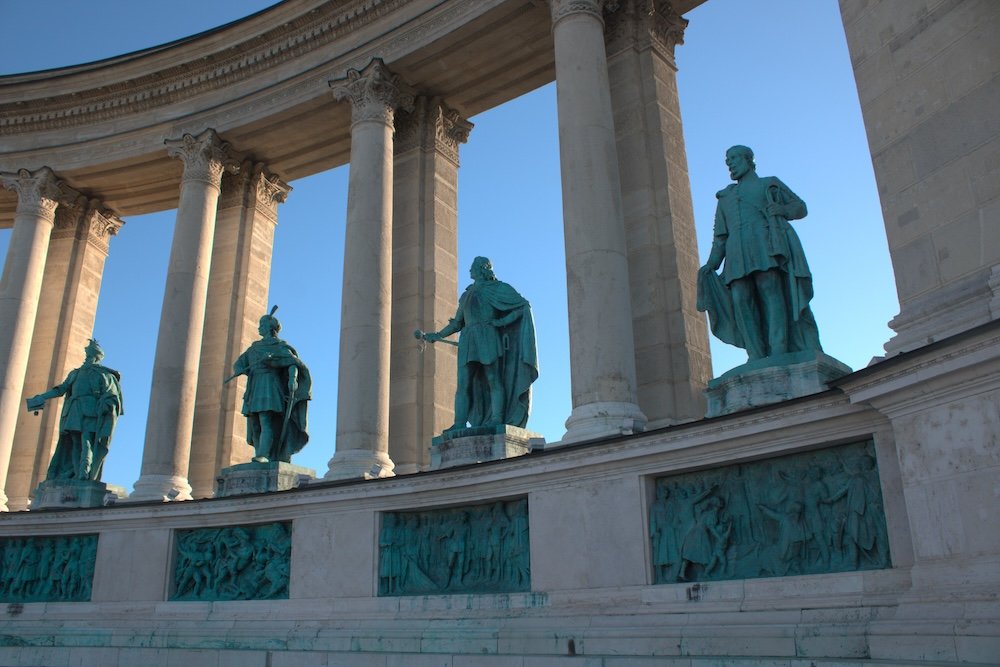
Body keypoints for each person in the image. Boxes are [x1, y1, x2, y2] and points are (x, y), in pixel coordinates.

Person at [697, 145, 822, 361]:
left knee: (769, 290)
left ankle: (778, 349)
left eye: (734, 158)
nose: (730, 164)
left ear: (748, 160)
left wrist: (782, 210)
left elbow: (800, 207)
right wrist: (711, 264)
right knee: (740, 298)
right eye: (728, 161)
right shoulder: (725, 197)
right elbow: (720, 237)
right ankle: (756, 353)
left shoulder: (768, 184)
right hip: (736, 250)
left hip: (765, 243)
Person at [421, 256, 538, 433]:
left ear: (482, 268)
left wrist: (500, 323)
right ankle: (459, 422)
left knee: (493, 379)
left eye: (473, 267)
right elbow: (457, 323)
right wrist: (436, 335)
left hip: (487, 336)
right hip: (468, 338)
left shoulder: (498, 288)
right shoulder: (467, 294)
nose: (470, 270)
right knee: (463, 383)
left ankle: (496, 418)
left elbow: (523, 307)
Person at [26, 338, 124, 482]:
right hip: (73, 411)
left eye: (89, 356)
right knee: (73, 443)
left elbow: (112, 397)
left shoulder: (104, 375)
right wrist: (42, 397)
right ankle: (76, 473)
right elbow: (61, 389)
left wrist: (106, 406)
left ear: (96, 358)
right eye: (86, 356)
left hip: (91, 413)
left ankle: (84, 474)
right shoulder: (75, 373)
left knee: (87, 442)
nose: (86, 359)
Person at [230, 307, 311, 463]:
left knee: (266, 420)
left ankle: (264, 455)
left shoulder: (279, 346)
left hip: (269, 385)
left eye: (261, 325)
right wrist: (240, 369)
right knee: (255, 424)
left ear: (269, 328)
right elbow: (240, 363)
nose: (259, 327)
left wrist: (292, 379)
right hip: (254, 386)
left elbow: (292, 363)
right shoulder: (254, 348)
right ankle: (261, 452)